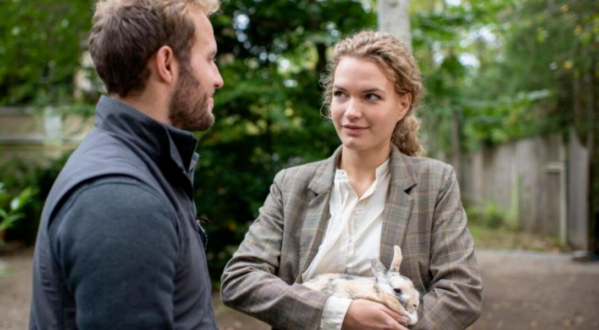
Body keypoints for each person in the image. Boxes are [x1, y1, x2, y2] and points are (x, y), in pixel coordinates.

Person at [220, 30, 482, 330]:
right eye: (341, 94)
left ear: (403, 104)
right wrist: (338, 314)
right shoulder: (291, 184)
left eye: (371, 96)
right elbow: (241, 279)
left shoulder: (435, 182)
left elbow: (462, 291)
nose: (351, 112)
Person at [29, 0, 224, 329]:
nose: (217, 79)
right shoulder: (119, 198)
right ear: (166, 63)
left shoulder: (144, 165)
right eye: (209, 59)